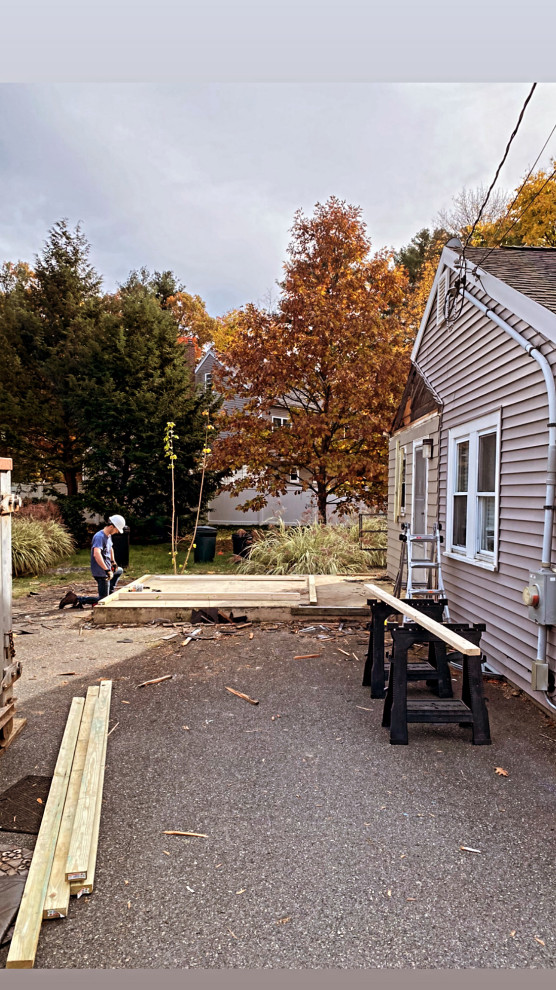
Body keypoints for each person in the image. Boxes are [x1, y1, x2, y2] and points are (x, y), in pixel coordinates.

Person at [59, 514, 126, 609]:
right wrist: (107, 570)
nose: (117, 532)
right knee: (104, 600)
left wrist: (113, 562)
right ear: (111, 526)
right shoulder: (99, 536)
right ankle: (76, 599)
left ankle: (109, 591)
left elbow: (110, 548)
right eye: (117, 530)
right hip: (101, 571)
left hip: (107, 567)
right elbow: (96, 554)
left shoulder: (109, 536)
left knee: (119, 570)